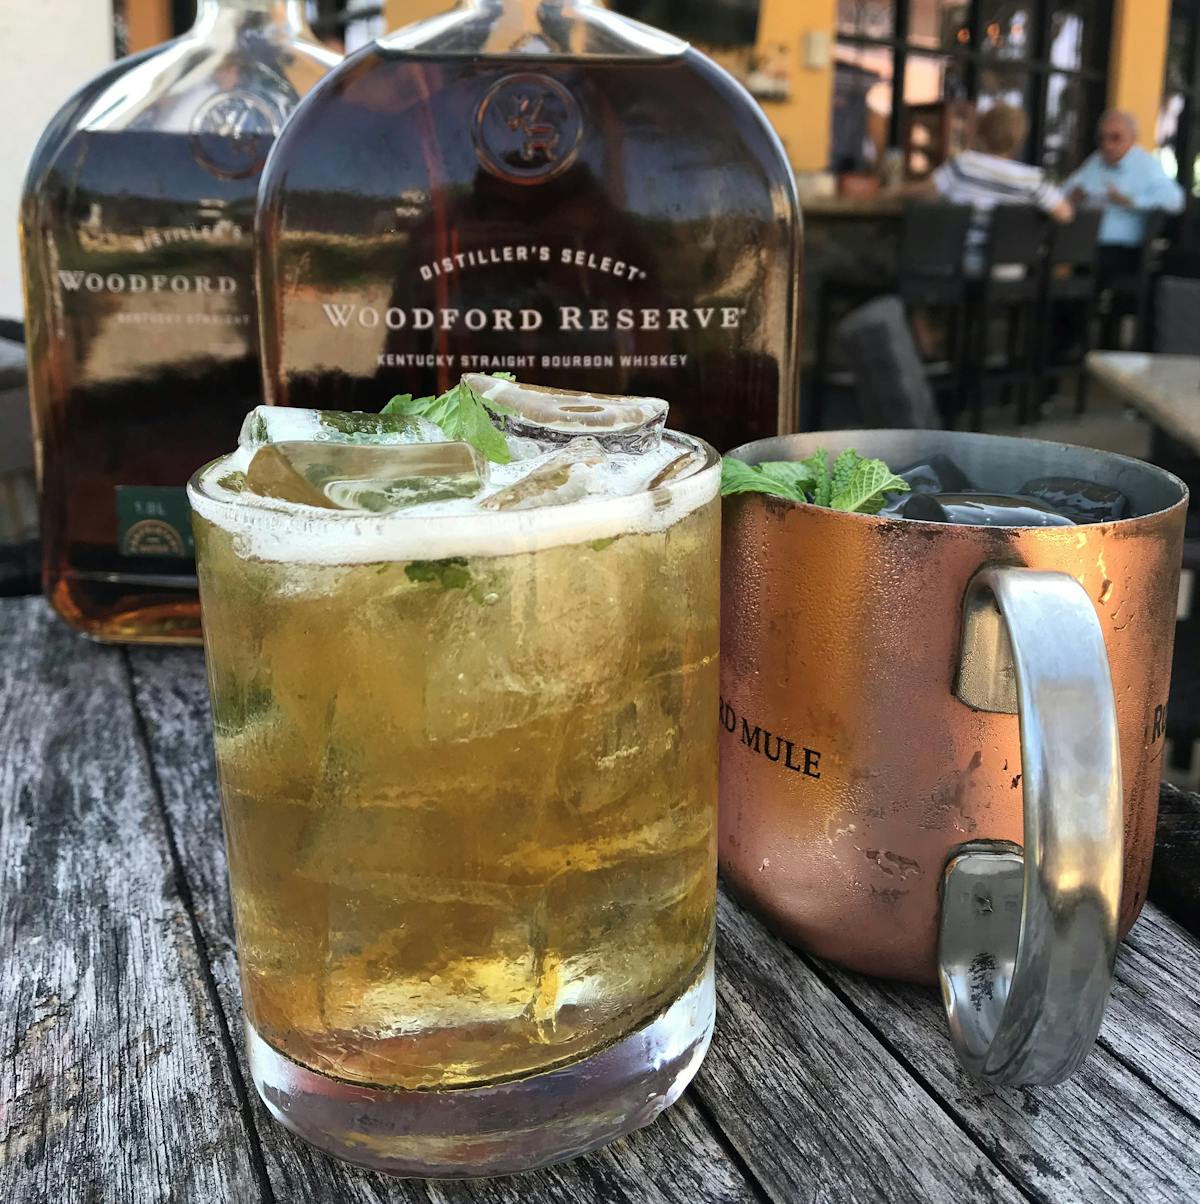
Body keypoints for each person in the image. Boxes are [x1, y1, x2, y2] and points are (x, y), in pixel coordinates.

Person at [920, 104, 1073, 275]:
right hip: (1009, 269)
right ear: (1019, 140)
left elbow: (925, 191)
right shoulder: (1032, 179)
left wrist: (888, 193)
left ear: (981, 133)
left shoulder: (964, 165)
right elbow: (1065, 214)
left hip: (961, 265)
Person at [1064, 110, 1185, 281]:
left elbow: (1175, 200)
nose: (1107, 145)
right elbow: (1064, 192)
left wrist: (1131, 201)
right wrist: (1073, 196)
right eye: (1102, 138)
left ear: (1133, 138)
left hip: (1122, 250)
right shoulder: (1095, 161)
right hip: (1083, 242)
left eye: (1115, 138)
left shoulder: (1146, 166)